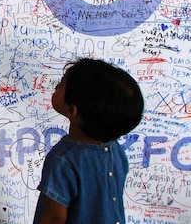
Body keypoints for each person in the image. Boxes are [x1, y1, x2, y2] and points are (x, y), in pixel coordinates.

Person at [33, 58, 144, 224]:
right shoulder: (115, 150)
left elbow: (53, 218)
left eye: (61, 85)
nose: (56, 87)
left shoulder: (63, 160)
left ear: (72, 110)